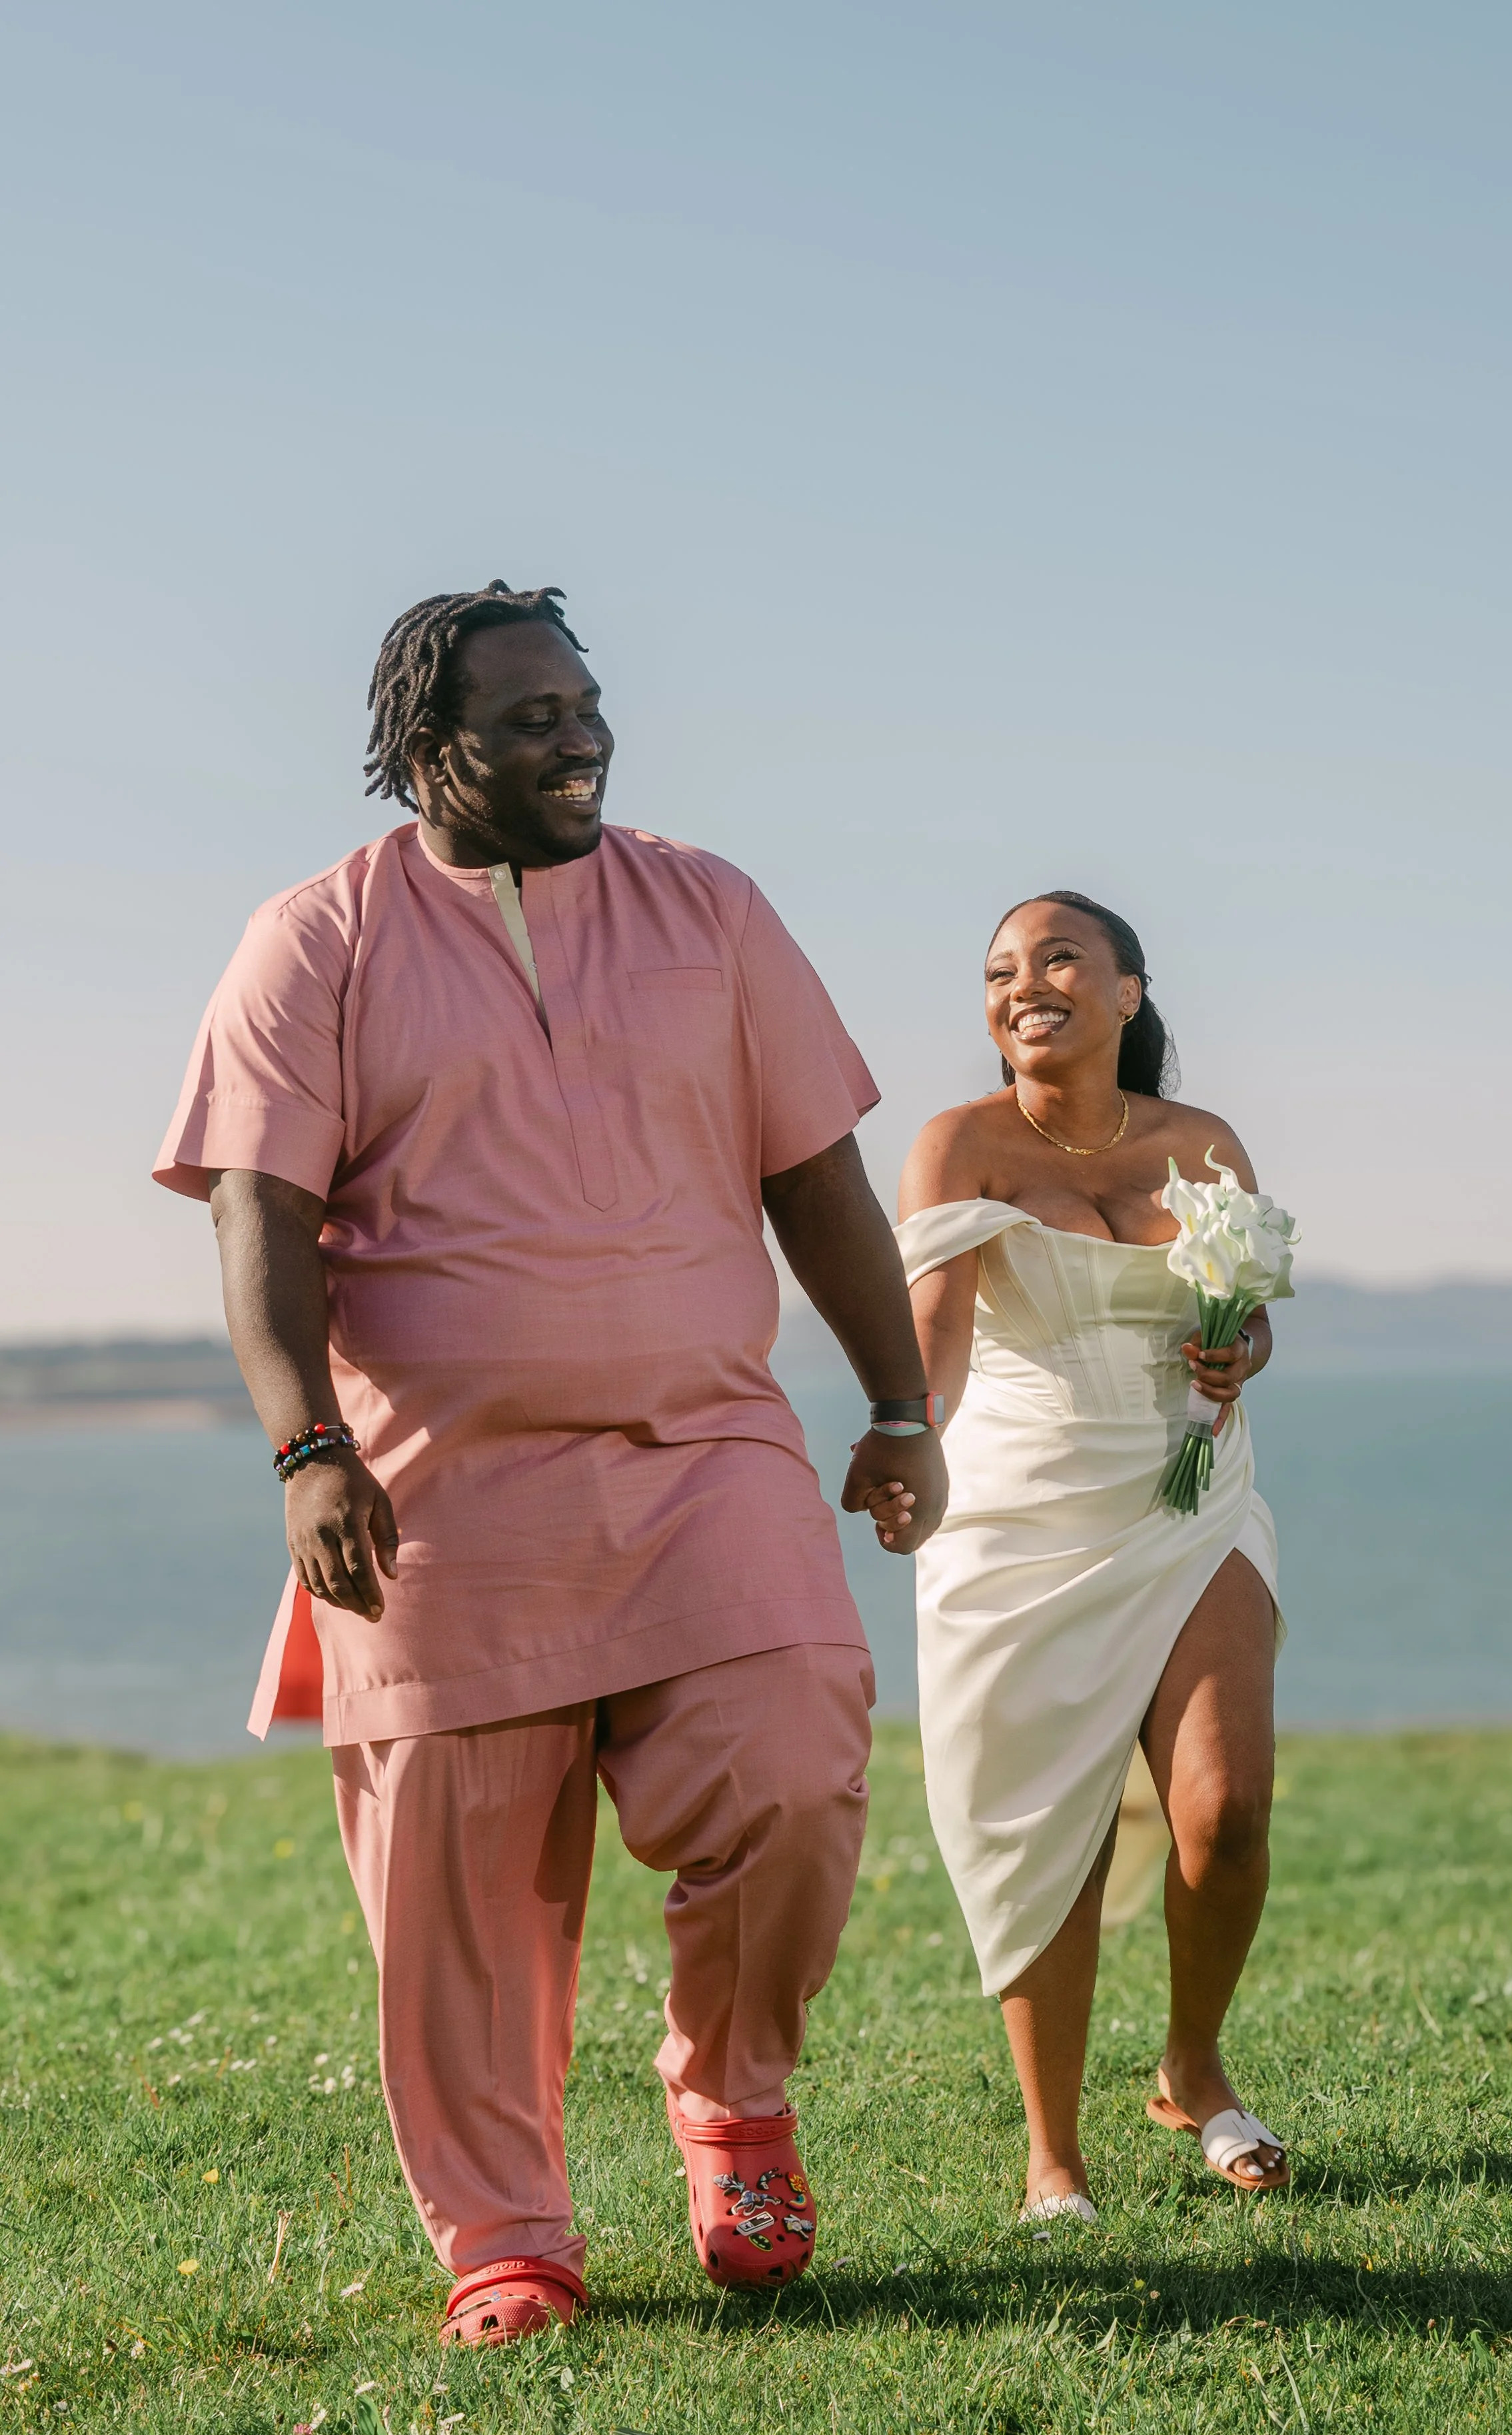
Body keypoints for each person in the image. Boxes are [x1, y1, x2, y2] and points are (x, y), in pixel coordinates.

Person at [153, 581, 946, 2344]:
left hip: (705, 1448)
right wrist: (307, 1445)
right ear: (425, 747)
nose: (580, 739)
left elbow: (812, 1173)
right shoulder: (314, 938)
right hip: (433, 1487)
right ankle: (507, 2237)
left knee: (793, 1764)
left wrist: (898, 1406)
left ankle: (735, 2111)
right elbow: (257, 1210)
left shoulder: (710, 905)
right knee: (459, 1897)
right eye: (531, 720)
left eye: (585, 707)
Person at [896, 890, 1288, 2217]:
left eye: (1059, 957)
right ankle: (1052, 2157)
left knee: (1225, 1811)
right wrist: (906, 1437)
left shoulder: (1202, 1143)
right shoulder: (959, 1144)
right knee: (1047, 1829)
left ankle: (1191, 2065)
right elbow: (937, 1332)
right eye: (1000, 969)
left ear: (1127, 991)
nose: (1025, 984)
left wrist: (1240, 1350)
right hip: (1017, 1518)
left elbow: (1246, 1313)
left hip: (1191, 1493)